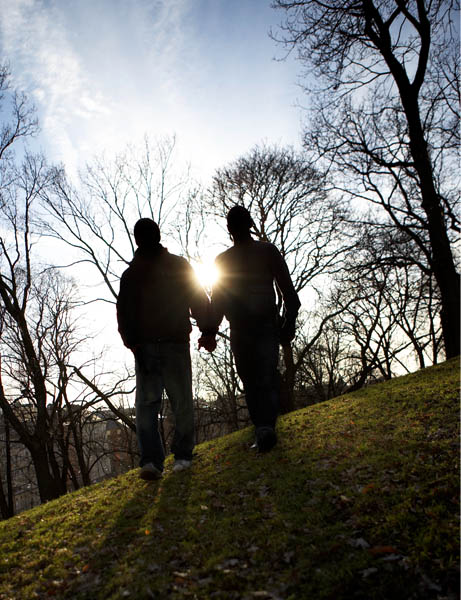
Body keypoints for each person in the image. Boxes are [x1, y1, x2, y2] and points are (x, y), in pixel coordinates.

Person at [117, 218, 215, 480]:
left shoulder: (131, 274)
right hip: (169, 344)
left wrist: (133, 342)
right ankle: (181, 456)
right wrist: (207, 330)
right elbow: (198, 299)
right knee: (180, 402)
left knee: (148, 407)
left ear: (137, 240)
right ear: (158, 235)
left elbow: (123, 315)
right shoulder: (177, 266)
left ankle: (153, 460)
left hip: (150, 346)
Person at [202, 206, 301, 452]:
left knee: (254, 380)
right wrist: (288, 324)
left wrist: (210, 333)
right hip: (264, 325)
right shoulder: (267, 251)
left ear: (229, 229)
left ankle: (264, 428)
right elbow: (290, 295)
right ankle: (265, 428)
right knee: (263, 376)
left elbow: (219, 304)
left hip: (244, 329)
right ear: (250, 224)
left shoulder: (224, 261)